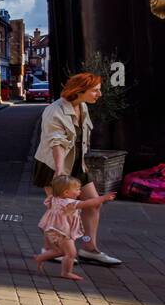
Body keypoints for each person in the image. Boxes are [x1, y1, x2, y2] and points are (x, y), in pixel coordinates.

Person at [32, 72, 122, 266]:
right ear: (80, 91)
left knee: (93, 203)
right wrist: (59, 170)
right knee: (60, 211)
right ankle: (52, 249)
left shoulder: (82, 106)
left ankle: (89, 248)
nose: (99, 94)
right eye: (95, 90)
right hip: (53, 166)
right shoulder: (54, 111)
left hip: (77, 164)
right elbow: (56, 142)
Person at [32, 176, 117, 281]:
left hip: (50, 228)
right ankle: (66, 272)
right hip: (61, 231)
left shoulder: (54, 198)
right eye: (77, 190)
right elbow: (89, 203)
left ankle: (40, 257)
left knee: (60, 251)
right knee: (71, 253)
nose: (80, 192)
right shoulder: (69, 203)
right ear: (66, 192)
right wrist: (104, 198)